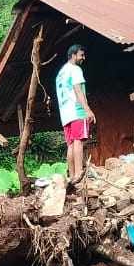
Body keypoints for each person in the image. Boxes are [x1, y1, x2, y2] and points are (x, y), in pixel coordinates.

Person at [55, 45, 94, 184]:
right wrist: (87, 110)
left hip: (65, 114)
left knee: (71, 144)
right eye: (81, 55)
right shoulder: (75, 69)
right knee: (78, 141)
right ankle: (78, 173)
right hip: (77, 111)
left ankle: (71, 176)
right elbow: (78, 91)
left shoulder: (61, 73)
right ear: (73, 55)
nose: (83, 58)